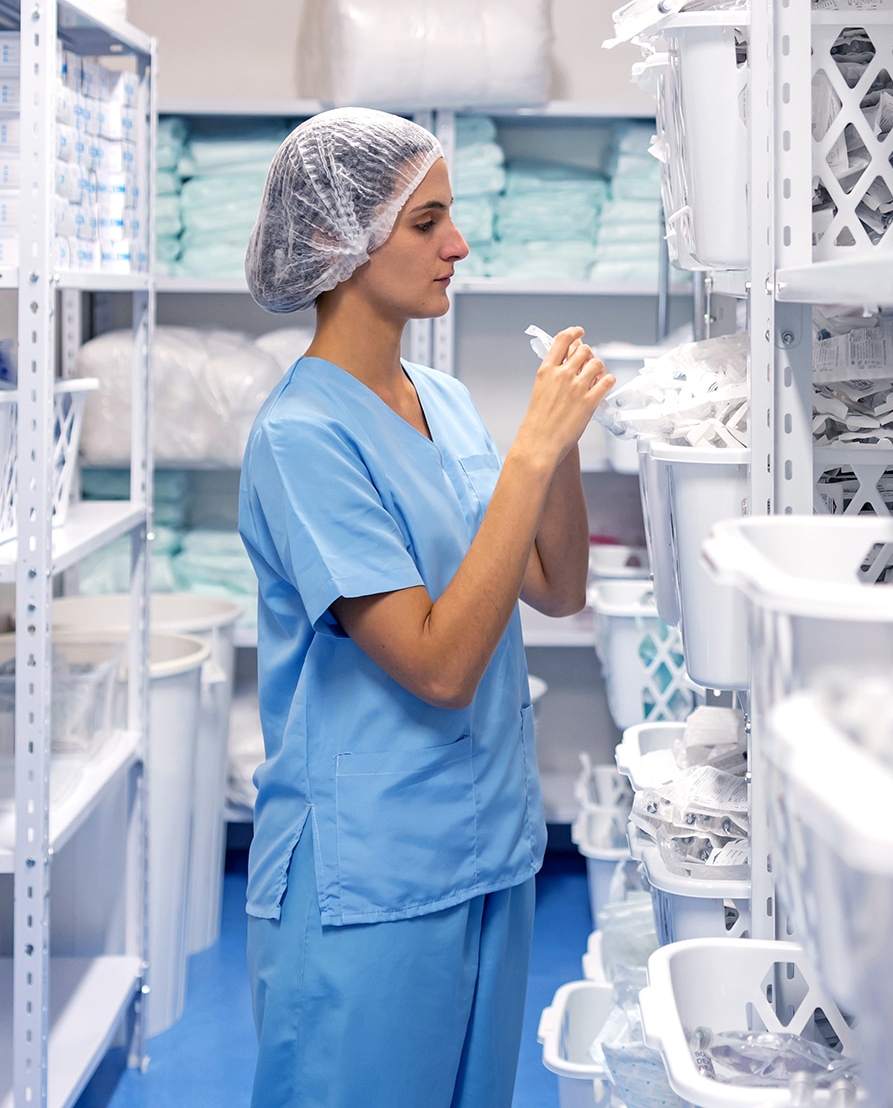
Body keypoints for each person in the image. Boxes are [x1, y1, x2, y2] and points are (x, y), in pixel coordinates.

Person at [237, 107, 615, 1108]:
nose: (457, 245)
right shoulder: (303, 438)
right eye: (426, 223)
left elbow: (556, 584)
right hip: (367, 879)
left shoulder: (439, 401)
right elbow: (440, 667)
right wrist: (530, 449)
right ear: (341, 241)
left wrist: (560, 441)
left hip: (485, 849)